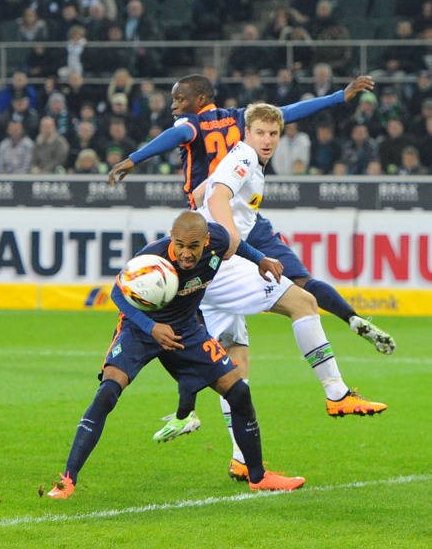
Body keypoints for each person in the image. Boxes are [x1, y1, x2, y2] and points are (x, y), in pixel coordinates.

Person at [166, 105, 387, 478]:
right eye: (260, 133)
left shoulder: (237, 155)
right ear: (247, 133)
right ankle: (336, 393)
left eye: (273, 134)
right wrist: (229, 233)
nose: (266, 141)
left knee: (234, 362)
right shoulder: (247, 156)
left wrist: (207, 211)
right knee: (303, 301)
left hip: (209, 267)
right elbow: (217, 196)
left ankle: (241, 460)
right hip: (222, 263)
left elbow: (204, 189)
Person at [108, 74, 395, 357]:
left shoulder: (191, 123)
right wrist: (338, 97)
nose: (174, 106)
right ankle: (352, 317)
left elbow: (177, 135)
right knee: (301, 282)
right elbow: (288, 112)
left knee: (191, 303)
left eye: (180, 99)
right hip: (249, 219)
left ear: (200, 99)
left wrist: (135, 158)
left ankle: (187, 402)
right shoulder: (243, 118)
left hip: (212, 220)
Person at [46, 211, 306, 499]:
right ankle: (67, 480)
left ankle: (258, 477)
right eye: (180, 244)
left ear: (207, 241)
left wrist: (261, 259)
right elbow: (118, 294)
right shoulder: (151, 258)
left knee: (239, 392)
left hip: (185, 330)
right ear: (172, 238)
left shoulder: (218, 238)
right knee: (108, 393)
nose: (185, 253)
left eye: (193, 246)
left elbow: (236, 243)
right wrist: (151, 326)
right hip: (140, 330)